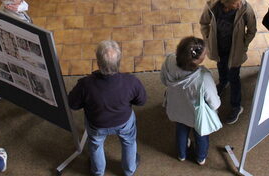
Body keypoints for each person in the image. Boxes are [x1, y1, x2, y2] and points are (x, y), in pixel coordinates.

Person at [68, 40, 146, 176]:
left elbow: (73, 104)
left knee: (95, 145)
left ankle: (98, 172)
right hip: (124, 122)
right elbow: (141, 101)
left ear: (98, 63)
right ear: (119, 62)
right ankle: (129, 169)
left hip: (97, 124)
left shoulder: (85, 84)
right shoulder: (132, 82)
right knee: (129, 142)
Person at [199, 0, 256, 124]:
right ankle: (223, 83)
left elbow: (252, 30)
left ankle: (236, 106)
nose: (239, 5)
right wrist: (207, 39)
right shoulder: (212, 7)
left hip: (235, 50)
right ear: (226, 3)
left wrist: (244, 44)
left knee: (234, 76)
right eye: (235, 3)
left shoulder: (245, 8)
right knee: (221, 66)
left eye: (239, 1)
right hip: (219, 48)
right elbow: (204, 23)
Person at [160, 36, 220, 165]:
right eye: (204, 54)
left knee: (181, 130)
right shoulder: (204, 77)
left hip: (176, 108)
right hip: (196, 114)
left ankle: (181, 154)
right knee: (201, 135)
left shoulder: (169, 60)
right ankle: (200, 157)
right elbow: (214, 103)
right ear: (196, 60)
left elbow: (163, 80)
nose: (206, 55)